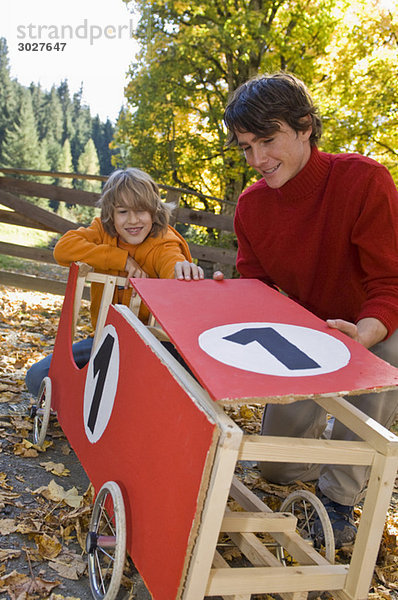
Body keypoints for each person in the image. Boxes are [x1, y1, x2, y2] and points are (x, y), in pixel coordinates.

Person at [223, 72, 398, 548]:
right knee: (277, 469)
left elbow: (390, 281)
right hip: (308, 328)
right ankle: (334, 448)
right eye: (245, 147)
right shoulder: (252, 206)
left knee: (389, 354)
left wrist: (365, 331)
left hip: (375, 320)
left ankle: (341, 498)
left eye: (268, 139)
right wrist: (228, 301)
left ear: (304, 127)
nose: (257, 160)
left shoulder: (366, 181)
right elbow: (255, 286)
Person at [25, 167, 203, 397]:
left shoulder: (163, 242)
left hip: (152, 347)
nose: (132, 220)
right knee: (37, 376)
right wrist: (121, 259)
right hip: (104, 340)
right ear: (110, 213)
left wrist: (181, 270)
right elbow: (63, 249)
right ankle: (93, 401)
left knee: (192, 383)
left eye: (141, 211)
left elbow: (172, 262)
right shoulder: (102, 232)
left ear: (154, 212)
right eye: (123, 211)